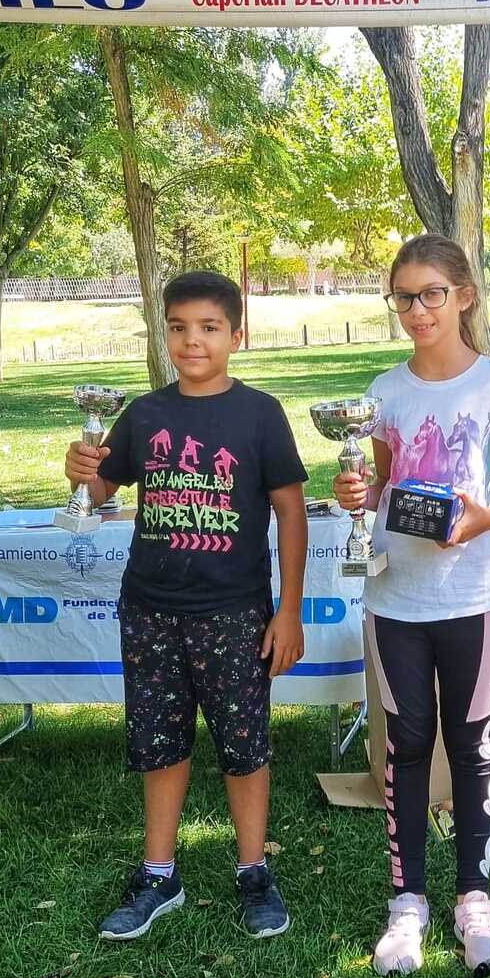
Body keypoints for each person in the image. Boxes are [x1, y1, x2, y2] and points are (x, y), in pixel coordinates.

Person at [63, 271, 308, 941]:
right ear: (163, 331)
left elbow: (290, 513)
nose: (191, 341)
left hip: (234, 612)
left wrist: (287, 612)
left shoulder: (260, 413)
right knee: (159, 744)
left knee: (244, 746)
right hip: (150, 608)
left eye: (207, 327)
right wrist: (79, 466)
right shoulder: (145, 413)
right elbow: (100, 489)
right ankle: (158, 873)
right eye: (178, 327)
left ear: (237, 335)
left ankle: (253, 870)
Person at [333, 234, 490, 976]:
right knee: (406, 743)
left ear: (464, 297)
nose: (417, 311)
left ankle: (474, 900)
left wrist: (480, 519)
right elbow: (370, 483)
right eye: (404, 297)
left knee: (472, 742)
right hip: (397, 595)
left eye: (431, 295)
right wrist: (352, 490)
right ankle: (407, 904)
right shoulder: (383, 392)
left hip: (474, 592)